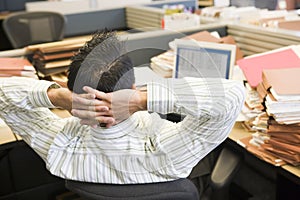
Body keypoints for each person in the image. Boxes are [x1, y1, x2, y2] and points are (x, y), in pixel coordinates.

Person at [0, 30, 245, 191]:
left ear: (72, 88)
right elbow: (233, 95)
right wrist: (141, 101)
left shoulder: (60, 147)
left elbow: (3, 96)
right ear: (133, 86)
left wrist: (56, 96)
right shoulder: (166, 150)